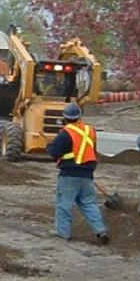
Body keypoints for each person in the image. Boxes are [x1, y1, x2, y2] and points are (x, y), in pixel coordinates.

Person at [45, 102, 109, 244]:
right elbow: (91, 150)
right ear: (79, 116)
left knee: (64, 204)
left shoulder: (65, 133)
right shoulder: (90, 130)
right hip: (87, 174)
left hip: (69, 174)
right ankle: (100, 230)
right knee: (89, 203)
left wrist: (49, 148)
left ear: (65, 117)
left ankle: (63, 233)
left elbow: (54, 153)